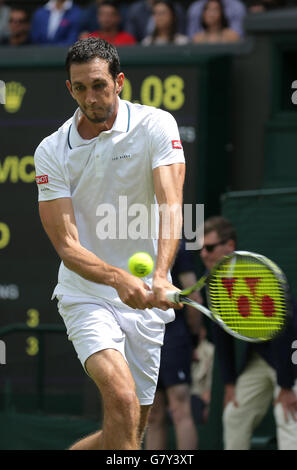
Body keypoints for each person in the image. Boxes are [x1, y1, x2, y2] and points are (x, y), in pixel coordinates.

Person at [33, 37, 185, 450]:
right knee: (119, 398)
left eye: (99, 85)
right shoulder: (51, 151)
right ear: (69, 89)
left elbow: (171, 205)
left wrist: (159, 274)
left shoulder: (156, 125)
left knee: (128, 429)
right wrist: (118, 278)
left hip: (148, 303)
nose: (90, 96)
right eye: (79, 88)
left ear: (119, 82)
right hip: (87, 296)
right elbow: (66, 244)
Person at [200, 215, 297, 450]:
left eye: (210, 247)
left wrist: (286, 386)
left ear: (230, 245)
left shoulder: (256, 273)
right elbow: (222, 335)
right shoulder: (214, 283)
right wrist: (229, 383)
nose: (204, 254)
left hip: (291, 354)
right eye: (201, 249)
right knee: (234, 415)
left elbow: (286, 331)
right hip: (260, 356)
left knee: (288, 416)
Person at [145, 239, 200, 450]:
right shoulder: (129, 242)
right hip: (143, 337)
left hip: (174, 338)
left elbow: (192, 296)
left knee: (179, 410)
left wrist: (193, 338)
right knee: (153, 415)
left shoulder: (177, 245)